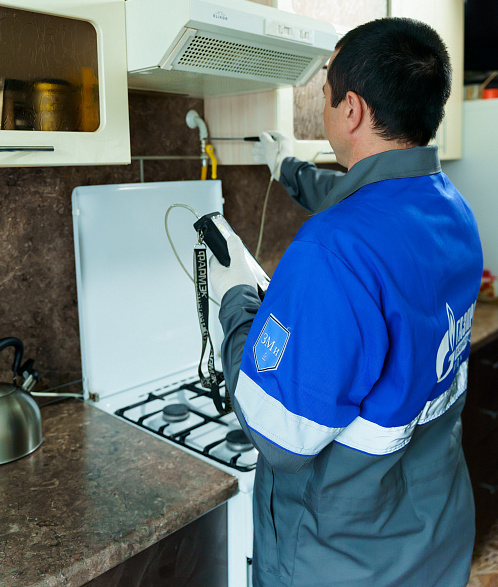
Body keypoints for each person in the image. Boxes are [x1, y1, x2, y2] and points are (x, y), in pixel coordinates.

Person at [209, 17, 483, 587]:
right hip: (432, 537)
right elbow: (366, 197)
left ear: (351, 110)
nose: (325, 106)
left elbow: (279, 432)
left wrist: (234, 301)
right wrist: (288, 169)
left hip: (344, 560)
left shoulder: (332, 249)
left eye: (326, 93)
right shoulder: (450, 209)